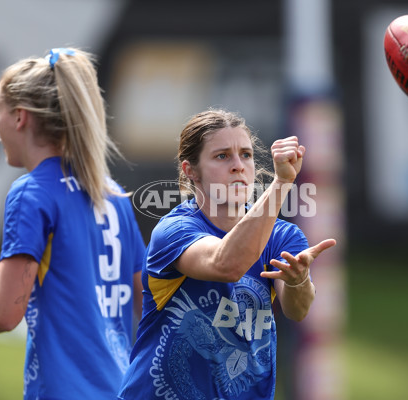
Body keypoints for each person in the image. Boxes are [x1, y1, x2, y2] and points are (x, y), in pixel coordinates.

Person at [0, 48, 146, 400]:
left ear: (19, 118)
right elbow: (148, 301)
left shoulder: (32, 194)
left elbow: (5, 312)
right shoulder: (112, 194)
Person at [118, 109, 336, 399]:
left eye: (245, 155)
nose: (238, 166)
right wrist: (282, 183)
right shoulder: (174, 231)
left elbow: (297, 310)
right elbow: (226, 263)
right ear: (190, 171)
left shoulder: (282, 235)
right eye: (222, 156)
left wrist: (298, 281)